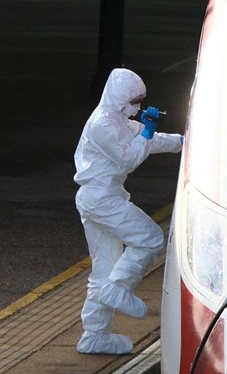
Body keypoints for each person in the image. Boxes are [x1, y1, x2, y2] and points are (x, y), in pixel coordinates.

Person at [73, 68, 183, 354]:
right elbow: (129, 158)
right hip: (102, 198)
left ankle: (94, 335)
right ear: (120, 97)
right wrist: (146, 131)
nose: (138, 106)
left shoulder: (118, 119)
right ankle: (118, 287)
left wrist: (185, 143)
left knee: (103, 269)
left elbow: (151, 141)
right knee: (149, 238)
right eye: (135, 100)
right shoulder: (102, 125)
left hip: (101, 197)